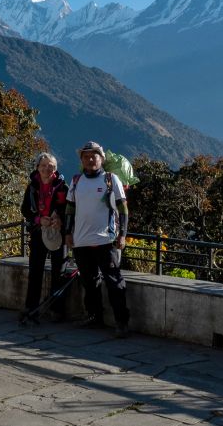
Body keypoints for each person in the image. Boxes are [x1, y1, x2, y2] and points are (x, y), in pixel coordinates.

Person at [65, 141, 130, 338]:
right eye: (86, 156)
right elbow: (70, 209)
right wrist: (68, 233)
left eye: (94, 156)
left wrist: (123, 235)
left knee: (114, 282)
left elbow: (123, 208)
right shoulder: (76, 181)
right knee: (89, 282)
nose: (90, 159)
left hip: (106, 240)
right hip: (81, 241)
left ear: (102, 159)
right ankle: (95, 317)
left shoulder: (111, 179)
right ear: (81, 160)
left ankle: (121, 322)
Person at [19, 152, 69, 323]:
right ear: (37, 167)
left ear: (55, 168)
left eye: (51, 166)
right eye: (43, 166)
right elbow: (25, 210)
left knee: (59, 272)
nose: (47, 169)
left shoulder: (62, 186)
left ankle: (57, 309)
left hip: (58, 234)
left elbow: (70, 209)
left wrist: (59, 218)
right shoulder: (32, 187)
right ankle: (31, 306)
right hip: (38, 232)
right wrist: (39, 220)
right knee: (35, 270)